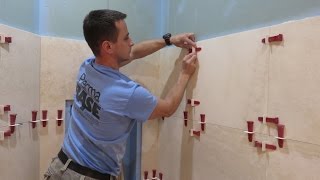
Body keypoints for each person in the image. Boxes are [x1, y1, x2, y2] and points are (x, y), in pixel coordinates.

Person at [44, 9, 198, 180]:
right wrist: (184, 74)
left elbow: (133, 53)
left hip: (59, 167)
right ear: (108, 47)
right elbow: (168, 108)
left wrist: (169, 40)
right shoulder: (127, 93)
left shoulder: (87, 68)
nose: (131, 42)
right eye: (126, 38)